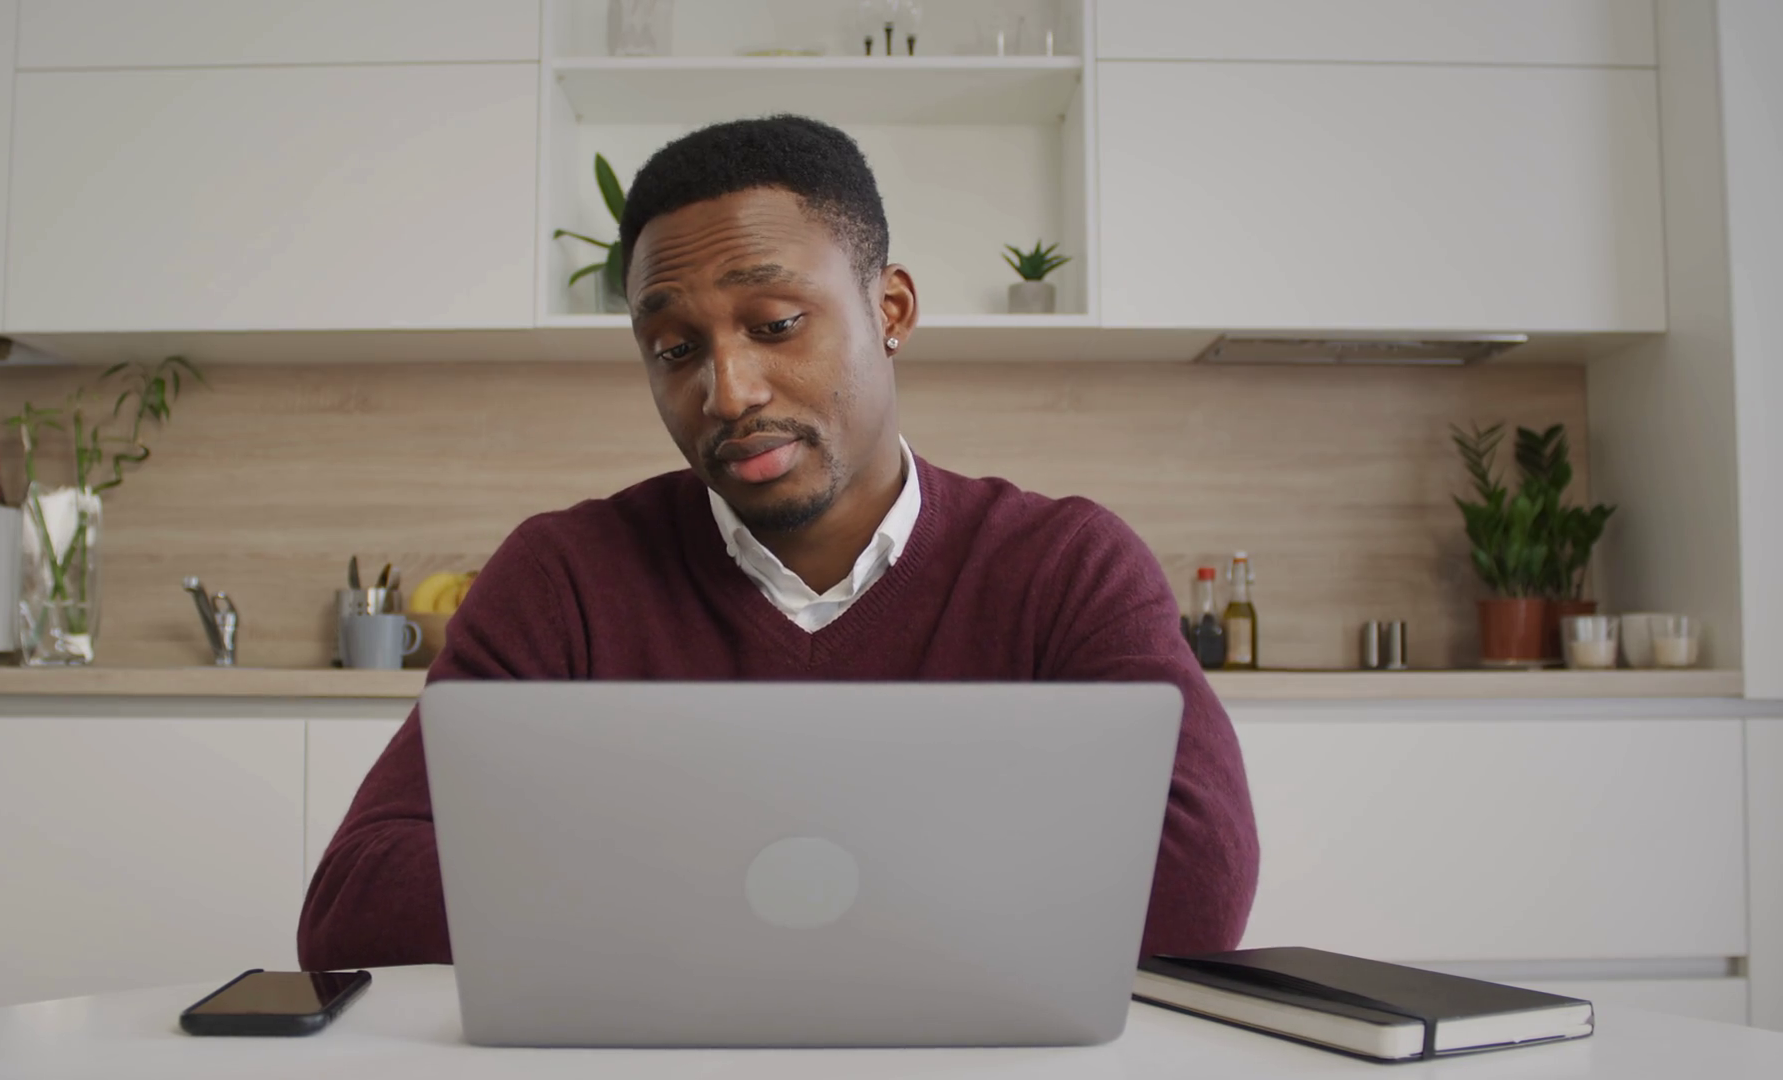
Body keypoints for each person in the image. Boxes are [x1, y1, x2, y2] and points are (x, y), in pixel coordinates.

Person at [298, 115, 1258, 971]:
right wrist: (958, 874)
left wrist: (618, 866)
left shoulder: (1065, 565)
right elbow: (358, 905)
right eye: (675, 349)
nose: (728, 392)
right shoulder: (565, 579)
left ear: (891, 311)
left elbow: (1191, 884)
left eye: (776, 324)